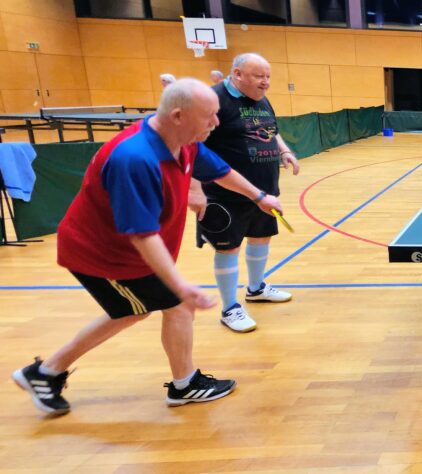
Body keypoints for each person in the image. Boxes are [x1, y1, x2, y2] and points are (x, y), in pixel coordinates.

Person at [10, 78, 284, 416]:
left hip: (128, 251)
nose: (216, 122)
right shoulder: (135, 158)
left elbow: (220, 171)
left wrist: (259, 197)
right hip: (104, 255)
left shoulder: (183, 140)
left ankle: (45, 372)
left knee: (133, 311)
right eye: (209, 115)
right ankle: (185, 384)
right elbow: (142, 235)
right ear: (178, 115)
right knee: (175, 306)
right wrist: (180, 285)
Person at [199, 53, 300, 333]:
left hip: (265, 190)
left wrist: (285, 151)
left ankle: (256, 288)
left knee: (260, 237)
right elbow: (192, 145)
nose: (265, 82)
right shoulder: (214, 100)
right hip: (225, 193)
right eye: (259, 76)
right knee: (228, 247)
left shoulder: (261, 99)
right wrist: (194, 188)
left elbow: (271, 131)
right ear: (237, 74)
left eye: (268, 76)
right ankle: (229, 308)